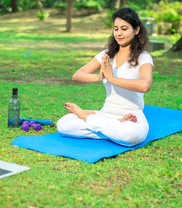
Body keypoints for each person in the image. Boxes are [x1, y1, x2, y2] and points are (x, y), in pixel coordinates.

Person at [57, 8, 153, 147]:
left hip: (131, 117)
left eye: (124, 29)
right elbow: (77, 75)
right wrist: (99, 77)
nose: (119, 33)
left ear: (136, 29)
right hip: (105, 114)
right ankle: (113, 128)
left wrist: (112, 78)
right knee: (64, 124)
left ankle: (87, 117)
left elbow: (145, 85)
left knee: (131, 135)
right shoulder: (107, 55)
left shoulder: (143, 58)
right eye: (116, 29)